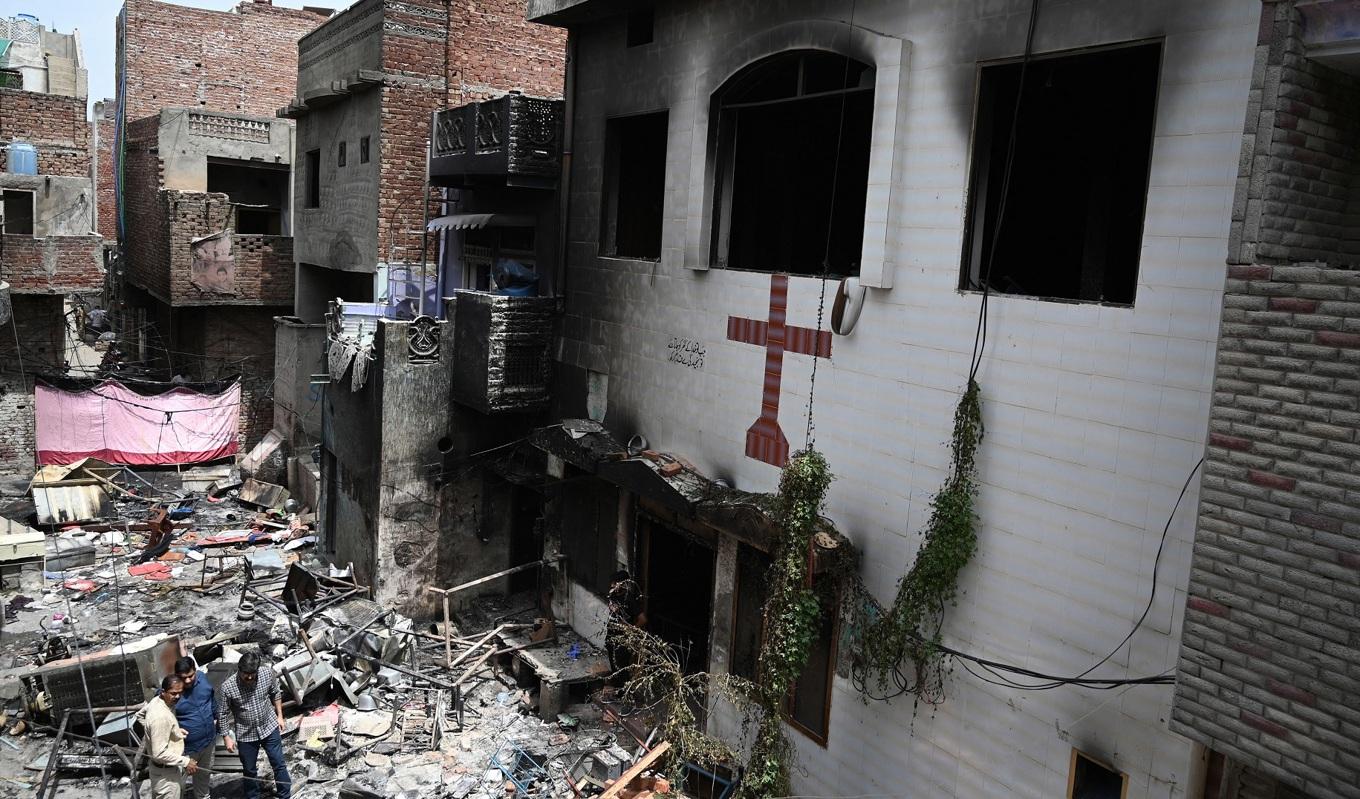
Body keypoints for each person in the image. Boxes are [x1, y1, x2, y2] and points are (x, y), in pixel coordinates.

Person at [216, 653, 290, 799]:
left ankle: (285, 795)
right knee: (249, 770)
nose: (249, 677)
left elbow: (276, 694)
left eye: (252, 673)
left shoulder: (267, 673)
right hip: (246, 734)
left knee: (279, 763)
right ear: (239, 669)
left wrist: (280, 716)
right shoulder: (228, 687)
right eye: (246, 674)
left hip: (269, 727)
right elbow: (222, 713)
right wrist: (226, 737)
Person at [141, 674, 199, 799]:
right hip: (166, 775)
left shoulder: (156, 701)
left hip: (162, 770)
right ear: (163, 692)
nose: (177, 696)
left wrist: (171, 730)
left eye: (180, 692)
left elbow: (140, 715)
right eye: (173, 693)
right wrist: (186, 762)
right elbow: (159, 753)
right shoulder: (160, 718)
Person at [172, 657, 216, 799]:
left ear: (195, 671)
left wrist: (221, 724)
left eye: (190, 676)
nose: (187, 681)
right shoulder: (171, 691)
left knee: (203, 777)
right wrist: (173, 730)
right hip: (185, 750)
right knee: (176, 784)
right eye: (182, 678)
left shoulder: (203, 679)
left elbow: (212, 701)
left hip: (208, 743)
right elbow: (157, 715)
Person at [605, 570, 645, 687]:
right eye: (612, 583)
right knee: (613, 664)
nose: (612, 585)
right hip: (611, 635)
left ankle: (624, 693)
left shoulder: (629, 599)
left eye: (615, 583)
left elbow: (643, 619)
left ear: (623, 583)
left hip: (623, 639)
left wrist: (630, 629)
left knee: (621, 667)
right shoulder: (612, 594)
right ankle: (617, 688)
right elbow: (611, 607)